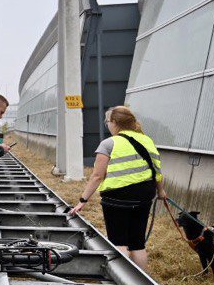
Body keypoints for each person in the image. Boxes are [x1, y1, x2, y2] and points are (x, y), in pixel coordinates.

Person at [69, 105, 167, 270]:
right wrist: (161, 191)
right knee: (137, 243)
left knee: (119, 241)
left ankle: (123, 280)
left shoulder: (108, 144)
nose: (107, 125)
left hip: (118, 197)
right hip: (145, 195)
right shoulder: (147, 140)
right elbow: (157, 170)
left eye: (107, 121)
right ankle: (143, 280)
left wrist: (82, 200)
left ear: (114, 122)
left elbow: (97, 176)